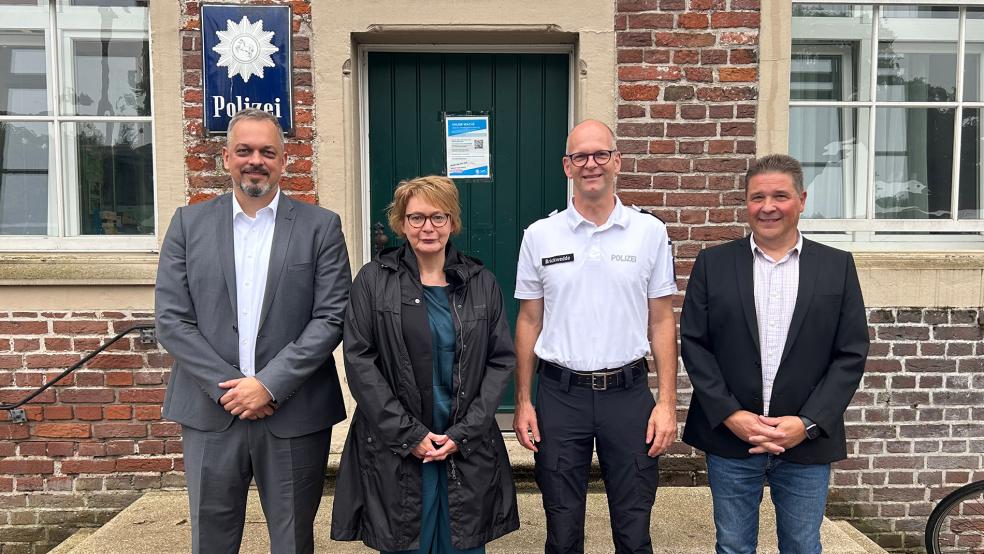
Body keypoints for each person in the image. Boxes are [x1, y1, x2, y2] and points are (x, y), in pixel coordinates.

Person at [154, 108, 351, 554]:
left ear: (285, 160)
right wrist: (231, 390)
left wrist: (268, 384)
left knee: (293, 539)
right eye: (244, 150)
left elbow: (332, 316)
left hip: (294, 413)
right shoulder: (188, 225)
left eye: (267, 151)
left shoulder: (321, 228)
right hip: (209, 413)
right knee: (211, 540)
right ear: (226, 157)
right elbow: (171, 318)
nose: (255, 160)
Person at [680, 154, 869, 554]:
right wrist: (731, 415)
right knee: (732, 545)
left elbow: (850, 353)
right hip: (732, 439)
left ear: (801, 199)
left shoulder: (837, 266)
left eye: (780, 196)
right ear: (746, 203)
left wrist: (808, 422)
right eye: (757, 197)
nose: (768, 207)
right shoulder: (713, 263)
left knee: (802, 545)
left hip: (805, 441)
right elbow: (695, 343)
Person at [512, 119, 679, 553]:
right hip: (559, 395)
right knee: (563, 530)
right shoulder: (540, 235)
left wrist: (665, 402)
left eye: (600, 154)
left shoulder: (649, 232)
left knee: (634, 525)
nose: (591, 164)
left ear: (617, 161)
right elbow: (529, 320)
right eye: (580, 156)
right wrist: (524, 401)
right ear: (567, 167)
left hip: (628, 395)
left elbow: (662, 319)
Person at [331, 175, 519, 553]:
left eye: (438, 216)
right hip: (397, 444)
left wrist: (464, 433)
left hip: (462, 441)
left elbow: (500, 362)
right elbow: (359, 360)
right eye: (416, 218)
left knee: (463, 542)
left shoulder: (481, 282)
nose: (428, 227)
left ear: (453, 222)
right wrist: (409, 435)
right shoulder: (372, 281)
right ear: (401, 223)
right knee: (405, 542)